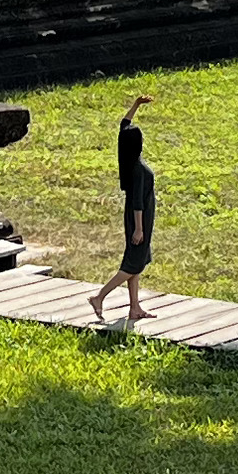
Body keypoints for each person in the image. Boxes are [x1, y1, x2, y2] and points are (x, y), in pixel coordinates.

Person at [90, 93, 158, 325]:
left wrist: (136, 105)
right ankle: (99, 297)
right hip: (139, 217)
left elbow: (123, 125)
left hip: (137, 215)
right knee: (132, 264)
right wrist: (138, 229)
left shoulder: (126, 157)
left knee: (136, 263)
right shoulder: (137, 169)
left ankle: (135, 308)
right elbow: (138, 202)